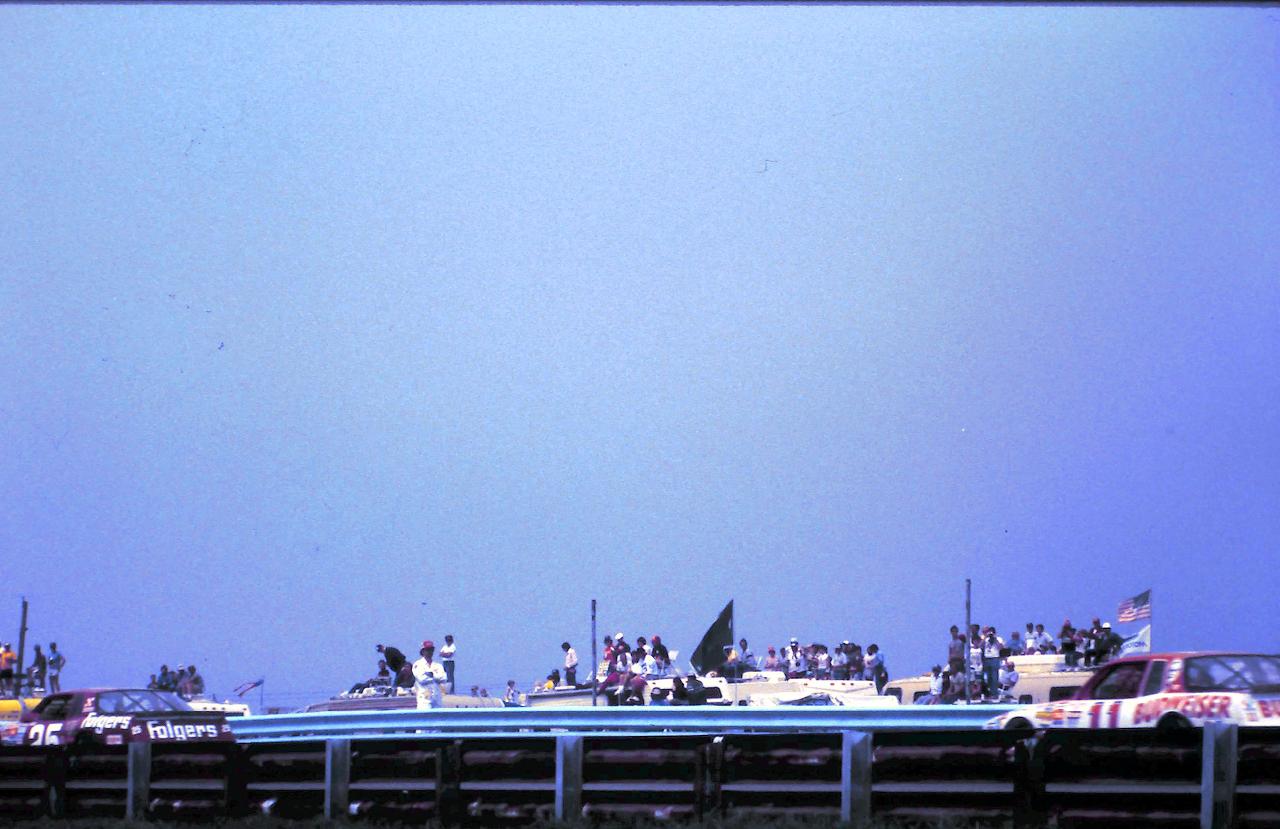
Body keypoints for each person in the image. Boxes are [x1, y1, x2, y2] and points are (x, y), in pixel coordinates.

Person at [412, 640, 447, 709]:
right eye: (427, 650)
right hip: (424, 698)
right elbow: (422, 679)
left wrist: (432, 675)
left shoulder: (438, 665)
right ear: (423, 651)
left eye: (431, 649)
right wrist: (437, 678)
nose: (430, 652)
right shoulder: (418, 664)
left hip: (437, 698)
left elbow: (444, 678)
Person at [981, 629, 1003, 699]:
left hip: (995, 658)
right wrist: (985, 637)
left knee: (994, 677)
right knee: (988, 677)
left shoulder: (998, 639)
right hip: (987, 658)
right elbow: (980, 646)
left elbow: (1001, 648)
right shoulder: (985, 639)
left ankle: (995, 694)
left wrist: (995, 639)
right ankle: (989, 693)